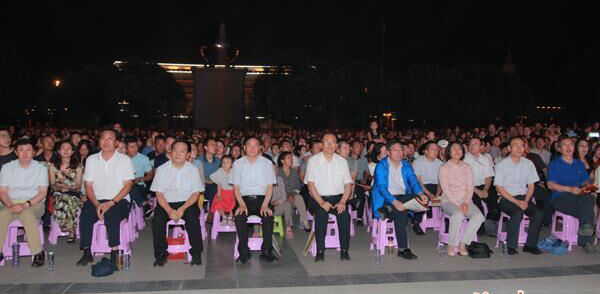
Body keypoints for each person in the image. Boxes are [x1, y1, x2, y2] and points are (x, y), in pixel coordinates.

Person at [77, 129, 134, 267]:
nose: (106, 141)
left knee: (112, 213)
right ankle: (86, 252)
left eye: (110, 139)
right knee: (85, 214)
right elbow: (88, 185)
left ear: (116, 143)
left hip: (118, 200)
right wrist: (97, 205)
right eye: (103, 138)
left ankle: (114, 251)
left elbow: (128, 185)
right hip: (96, 200)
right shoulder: (91, 159)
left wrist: (111, 202)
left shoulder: (124, 160)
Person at [150, 140, 205, 266]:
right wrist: (169, 210)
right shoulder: (162, 169)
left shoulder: (193, 170)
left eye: (182, 151)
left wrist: (182, 209)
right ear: (170, 152)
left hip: (187, 203)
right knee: (157, 220)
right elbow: (159, 194)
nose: (178, 154)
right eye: (175, 150)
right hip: (166, 203)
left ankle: (196, 253)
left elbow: (195, 194)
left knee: (192, 218)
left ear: (188, 155)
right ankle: (161, 255)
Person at [371, 140, 427, 260]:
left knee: (419, 199)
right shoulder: (381, 166)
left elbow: (413, 180)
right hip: (386, 198)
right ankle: (403, 249)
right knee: (401, 211)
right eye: (395, 150)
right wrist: (394, 202)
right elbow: (381, 188)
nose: (399, 152)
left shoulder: (406, 165)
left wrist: (420, 193)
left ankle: (388, 210)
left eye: (401, 150)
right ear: (388, 152)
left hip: (403, 197)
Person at [305, 134, 353, 262]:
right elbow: (310, 185)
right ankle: (320, 251)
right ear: (321, 145)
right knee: (321, 214)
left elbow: (348, 184)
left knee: (344, 216)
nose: (330, 145)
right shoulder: (313, 161)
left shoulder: (342, 161)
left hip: (337, 198)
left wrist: (343, 201)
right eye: (327, 142)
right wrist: (321, 202)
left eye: (333, 142)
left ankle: (344, 250)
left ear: (336, 145)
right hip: (318, 198)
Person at [0, 139, 49, 267]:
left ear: (33, 152)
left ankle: (38, 252)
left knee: (27, 214)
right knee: (2, 215)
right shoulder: (7, 168)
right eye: (21, 150)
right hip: (11, 203)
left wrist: (25, 204)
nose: (25, 153)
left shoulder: (40, 168)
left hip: (34, 203)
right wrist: (11, 205)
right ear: (16, 152)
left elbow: (42, 193)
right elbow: (3, 191)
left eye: (28, 150)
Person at [547, 136, 599, 253]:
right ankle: (586, 241)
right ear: (559, 149)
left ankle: (585, 231)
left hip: (578, 195)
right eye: (564, 145)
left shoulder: (578, 164)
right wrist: (569, 189)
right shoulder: (555, 164)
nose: (568, 147)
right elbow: (550, 185)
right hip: (560, 197)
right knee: (587, 209)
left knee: (589, 198)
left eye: (571, 144)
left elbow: (585, 181)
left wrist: (589, 185)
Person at [232, 137, 278, 264]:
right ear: (244, 148)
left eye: (255, 145)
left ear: (260, 148)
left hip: (262, 198)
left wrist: (265, 205)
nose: (252, 148)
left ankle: (267, 251)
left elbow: (270, 187)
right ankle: (243, 251)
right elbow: (236, 188)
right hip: (244, 199)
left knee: (268, 216)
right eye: (249, 145)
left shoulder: (267, 163)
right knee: (239, 216)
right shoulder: (238, 164)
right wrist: (241, 204)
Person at [495, 137, 544, 255]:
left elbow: (531, 186)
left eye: (521, 145)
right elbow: (499, 188)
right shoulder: (501, 164)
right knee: (517, 212)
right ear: (509, 148)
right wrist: (518, 203)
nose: (519, 148)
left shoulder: (528, 163)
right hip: (506, 198)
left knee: (539, 213)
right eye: (515, 145)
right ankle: (511, 246)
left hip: (523, 197)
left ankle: (530, 245)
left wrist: (526, 201)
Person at [439, 142, 485, 256]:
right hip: (449, 201)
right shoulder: (444, 167)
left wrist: (465, 202)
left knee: (479, 216)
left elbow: (470, 187)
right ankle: (451, 244)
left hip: (466, 200)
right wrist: (458, 204)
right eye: (454, 149)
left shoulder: (467, 167)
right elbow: (446, 189)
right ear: (449, 152)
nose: (457, 151)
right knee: (458, 214)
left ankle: (463, 243)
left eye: (459, 149)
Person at [49, 141, 84, 243]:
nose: (66, 150)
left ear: (72, 151)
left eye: (69, 148)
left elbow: (78, 185)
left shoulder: (78, 166)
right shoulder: (53, 166)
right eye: (63, 148)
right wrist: (59, 187)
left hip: (74, 193)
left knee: (68, 198)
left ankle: (67, 227)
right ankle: (71, 229)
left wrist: (68, 187)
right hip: (58, 193)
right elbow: (52, 184)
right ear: (59, 151)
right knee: (63, 198)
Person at [411, 141, 443, 235]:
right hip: (423, 186)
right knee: (422, 197)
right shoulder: (418, 162)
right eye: (433, 149)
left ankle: (446, 221)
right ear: (426, 151)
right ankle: (416, 222)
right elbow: (418, 182)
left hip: (437, 187)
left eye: (437, 149)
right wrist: (429, 194)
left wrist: (437, 194)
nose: (435, 151)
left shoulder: (440, 163)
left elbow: (441, 181)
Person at [464, 138, 497, 227]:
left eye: (475, 144)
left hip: (483, 186)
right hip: (469, 187)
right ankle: (479, 226)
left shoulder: (485, 159)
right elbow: (464, 180)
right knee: (476, 202)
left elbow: (489, 176)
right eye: (470, 144)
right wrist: (477, 191)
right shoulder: (463, 159)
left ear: (480, 147)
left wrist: (485, 189)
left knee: (493, 197)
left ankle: (491, 221)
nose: (472, 146)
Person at [277, 151, 310, 234]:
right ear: (282, 161)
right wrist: (287, 195)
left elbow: (298, 186)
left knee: (299, 197)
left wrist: (292, 194)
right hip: (282, 197)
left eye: (291, 158)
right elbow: (277, 189)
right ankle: (289, 224)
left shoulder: (294, 171)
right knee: (287, 201)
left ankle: (304, 222)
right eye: (288, 158)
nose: (291, 160)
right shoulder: (277, 172)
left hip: (293, 195)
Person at [124, 136, 152, 207]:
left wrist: (140, 179)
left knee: (133, 187)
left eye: (136, 146)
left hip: (139, 185)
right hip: (124, 185)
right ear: (126, 148)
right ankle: (144, 204)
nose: (134, 149)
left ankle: (144, 205)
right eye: (131, 147)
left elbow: (150, 175)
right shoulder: (123, 158)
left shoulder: (143, 158)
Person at [209, 156, 236, 224]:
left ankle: (231, 217)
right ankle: (223, 216)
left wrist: (235, 194)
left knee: (234, 203)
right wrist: (219, 194)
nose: (225, 164)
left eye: (227, 162)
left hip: (232, 192)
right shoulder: (220, 171)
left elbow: (236, 184)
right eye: (223, 162)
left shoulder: (234, 171)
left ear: (232, 164)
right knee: (219, 203)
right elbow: (219, 183)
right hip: (223, 192)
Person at [200, 139, 221, 203]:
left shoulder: (218, 161)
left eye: (215, 145)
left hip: (215, 185)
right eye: (212, 145)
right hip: (203, 185)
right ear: (206, 147)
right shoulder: (199, 160)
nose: (215, 147)